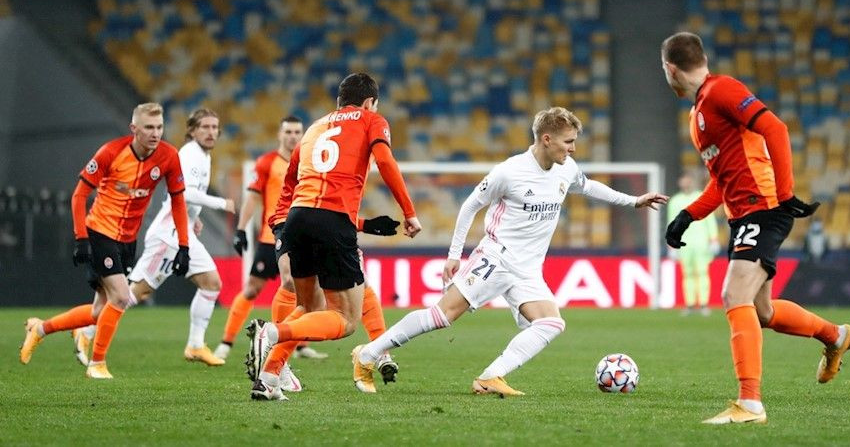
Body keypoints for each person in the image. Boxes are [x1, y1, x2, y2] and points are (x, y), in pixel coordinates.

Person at [352, 107, 668, 395]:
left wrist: (633, 201)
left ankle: (491, 377)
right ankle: (368, 354)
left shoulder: (566, 168)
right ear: (547, 139)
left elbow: (589, 187)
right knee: (441, 316)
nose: (573, 148)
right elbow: (470, 206)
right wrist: (454, 255)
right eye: (568, 141)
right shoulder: (510, 172)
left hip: (528, 269)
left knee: (551, 323)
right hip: (496, 258)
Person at [661, 32, 850, 425]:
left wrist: (784, 194)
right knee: (762, 311)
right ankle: (837, 336)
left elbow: (776, 129)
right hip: (742, 215)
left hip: (763, 207)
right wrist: (689, 215)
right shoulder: (698, 115)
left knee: (733, 294)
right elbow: (722, 179)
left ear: (670, 69)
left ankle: (749, 404)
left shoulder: (722, 90)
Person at [246, 72, 421, 401]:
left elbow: (289, 186)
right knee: (345, 319)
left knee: (308, 306)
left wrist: (281, 230)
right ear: (369, 102)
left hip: (297, 218)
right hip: (333, 221)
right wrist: (409, 212)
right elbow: (385, 160)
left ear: (340, 101)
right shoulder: (372, 120)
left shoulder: (314, 128)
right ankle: (272, 331)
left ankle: (268, 378)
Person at [19, 103, 190, 378]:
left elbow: (178, 201)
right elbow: (79, 195)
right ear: (134, 129)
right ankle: (97, 364)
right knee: (122, 297)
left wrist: (184, 245)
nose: (155, 133)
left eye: (159, 127)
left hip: (128, 240)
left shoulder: (169, 156)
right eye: (149, 127)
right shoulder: (111, 152)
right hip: (100, 232)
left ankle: (39, 328)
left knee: (100, 311)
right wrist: (81, 239)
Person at [71, 108, 237, 368]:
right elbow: (184, 194)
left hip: (183, 232)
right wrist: (221, 203)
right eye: (205, 127)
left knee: (211, 283)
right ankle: (87, 331)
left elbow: (184, 198)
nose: (211, 132)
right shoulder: (189, 154)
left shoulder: (204, 156)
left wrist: (194, 217)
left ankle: (195, 345)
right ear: (192, 131)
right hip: (167, 235)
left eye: (215, 127)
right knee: (132, 294)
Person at [213, 116, 326, 362]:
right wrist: (241, 229)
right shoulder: (267, 162)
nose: (293, 136)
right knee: (253, 289)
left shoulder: (311, 161)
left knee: (302, 291)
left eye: (297, 132)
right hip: (270, 236)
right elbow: (252, 198)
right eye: (288, 132)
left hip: (302, 237)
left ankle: (298, 345)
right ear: (279, 134)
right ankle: (226, 342)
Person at [667, 171, 719, 316]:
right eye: (683, 179)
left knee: (702, 272)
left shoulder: (700, 196)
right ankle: (689, 304)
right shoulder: (675, 201)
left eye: (688, 179)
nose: (686, 182)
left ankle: (703, 304)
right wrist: (671, 243)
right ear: (680, 182)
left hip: (701, 241)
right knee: (687, 273)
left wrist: (713, 238)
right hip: (684, 243)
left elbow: (709, 219)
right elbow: (671, 221)